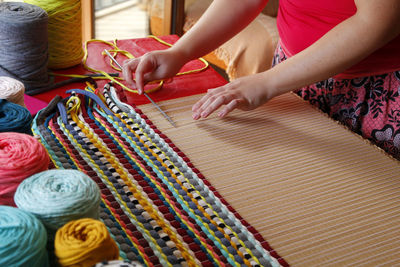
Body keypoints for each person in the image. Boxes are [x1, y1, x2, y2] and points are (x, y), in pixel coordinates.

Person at [122, 0, 400, 159]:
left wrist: (266, 83)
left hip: (377, 94)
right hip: (292, 74)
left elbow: (378, 22)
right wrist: (181, 52)